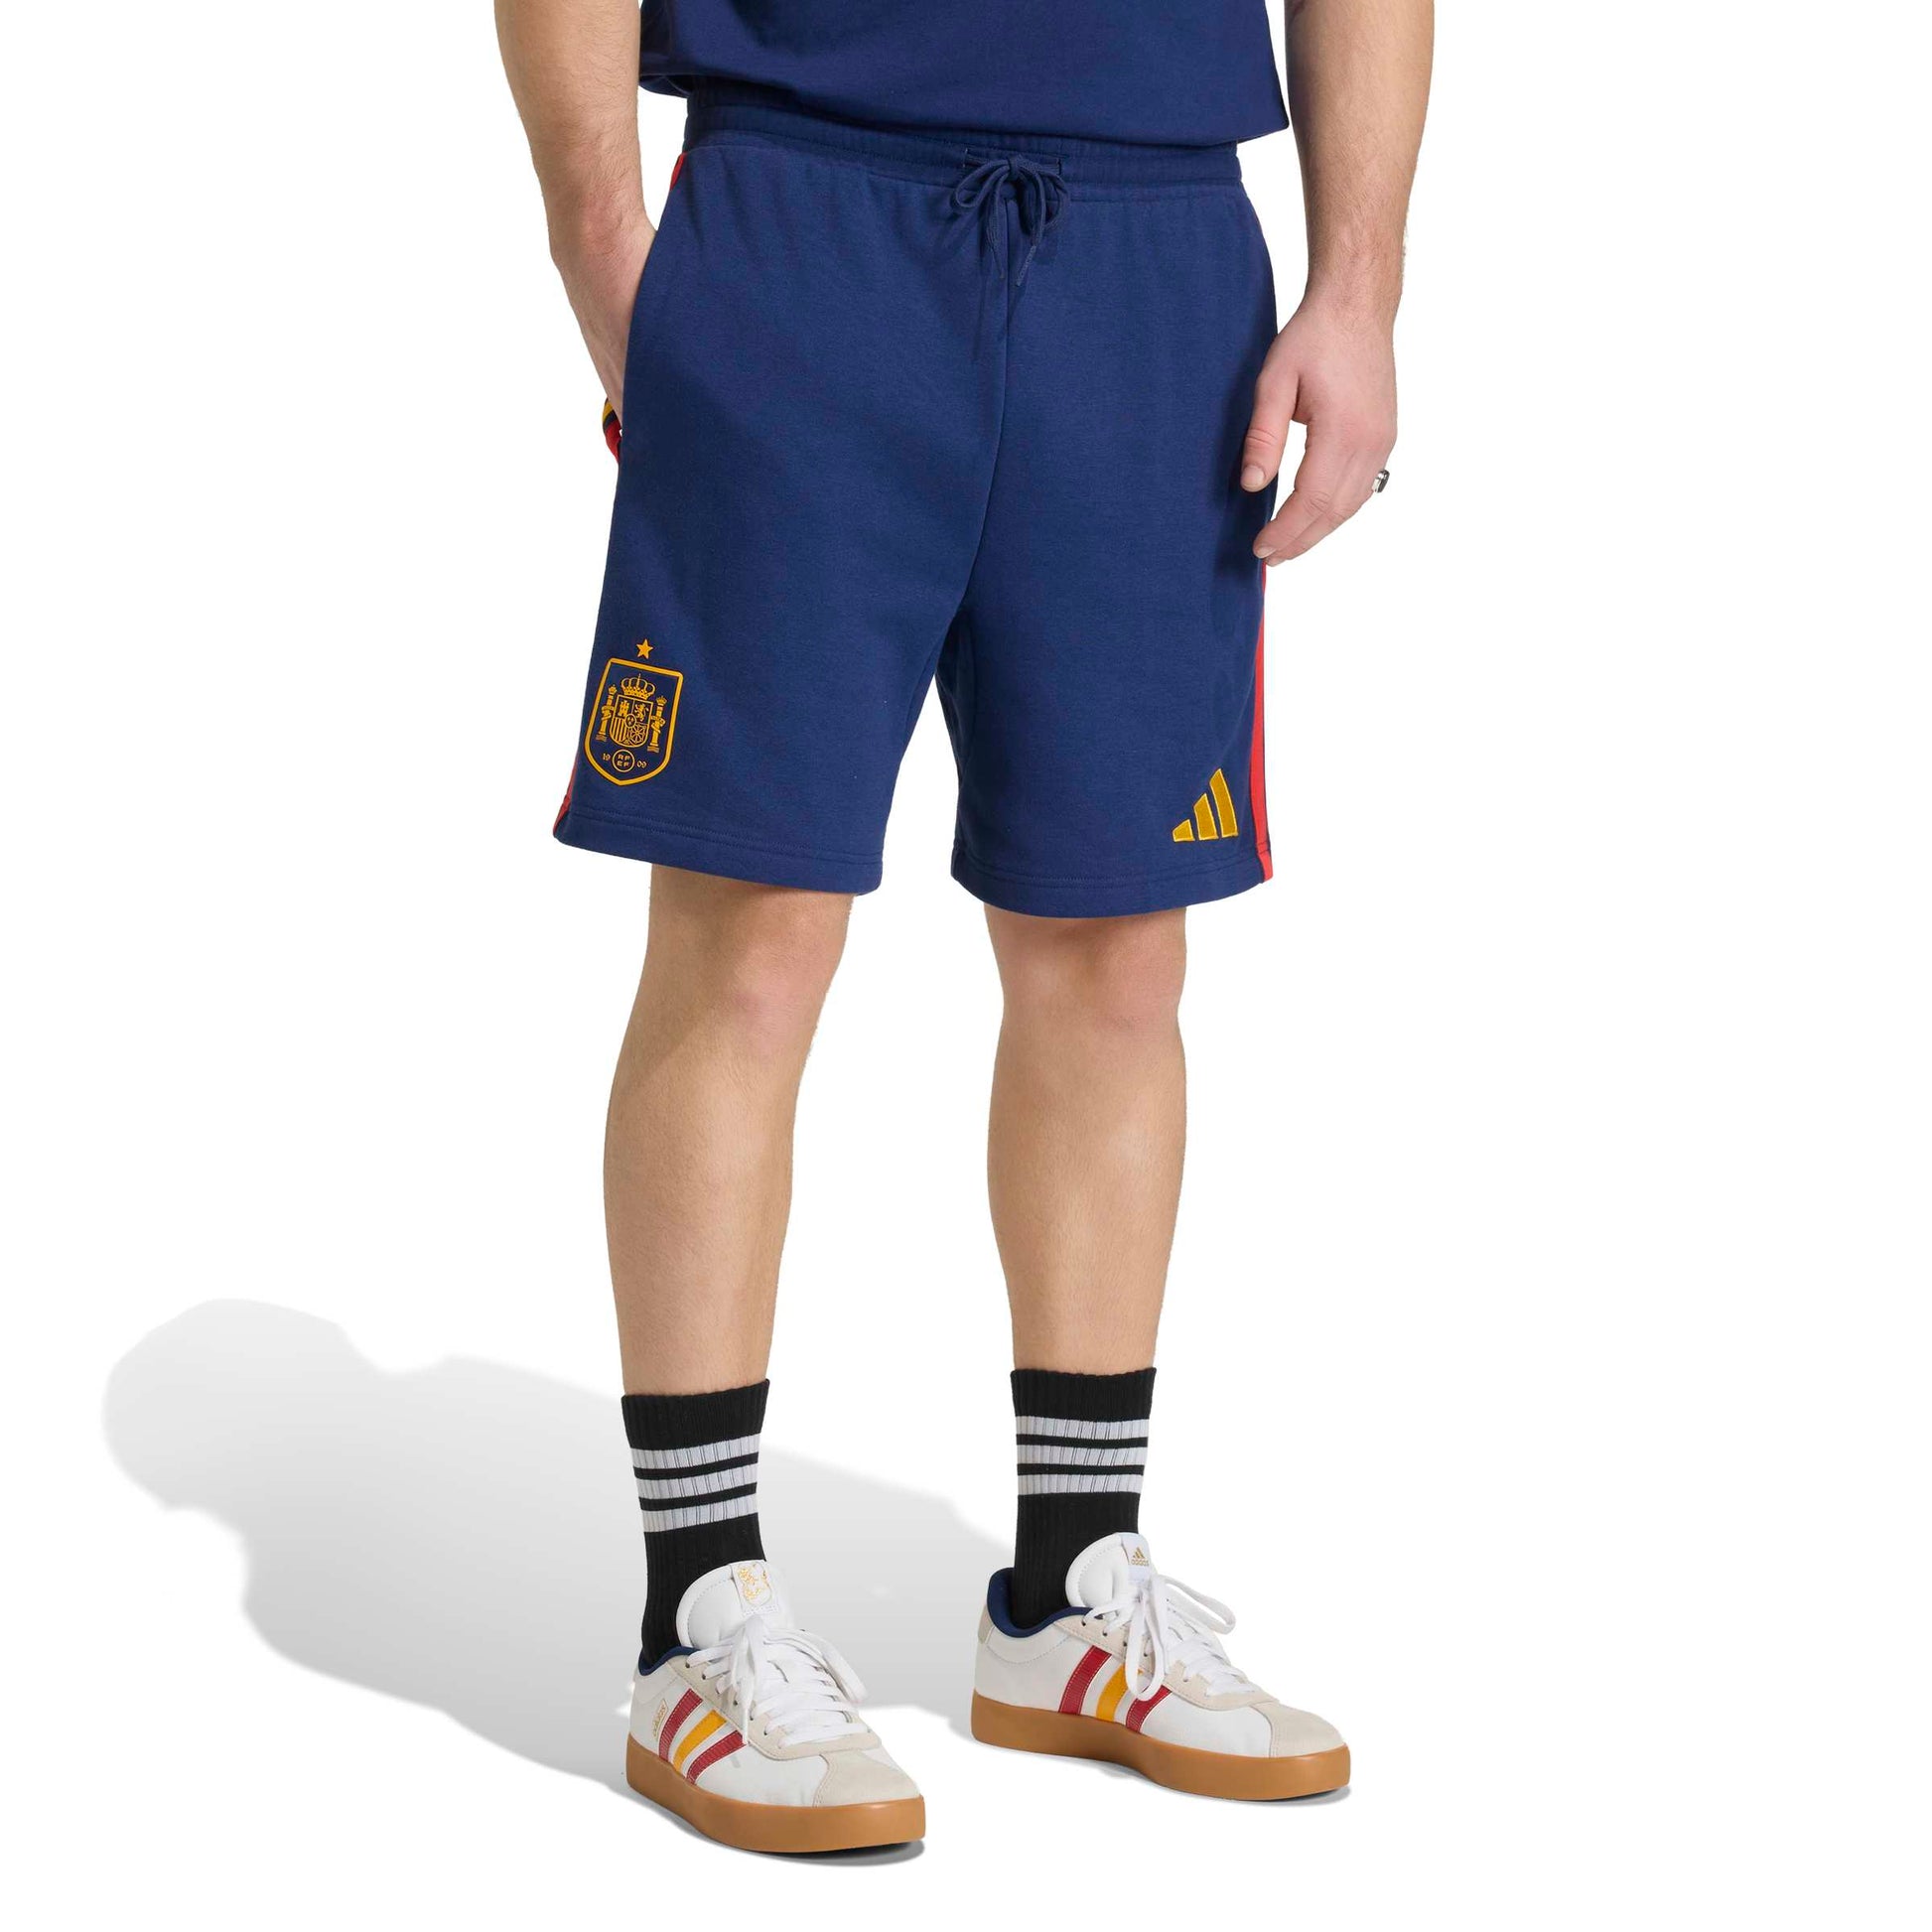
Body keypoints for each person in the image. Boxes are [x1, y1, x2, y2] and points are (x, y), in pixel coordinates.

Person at [495, 0, 1431, 1853]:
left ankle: (1070, 1594)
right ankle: (698, 1613)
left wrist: (1359, 288)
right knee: (753, 924)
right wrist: (607, 244)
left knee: (1115, 946)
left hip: (1156, 255)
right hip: (802, 218)